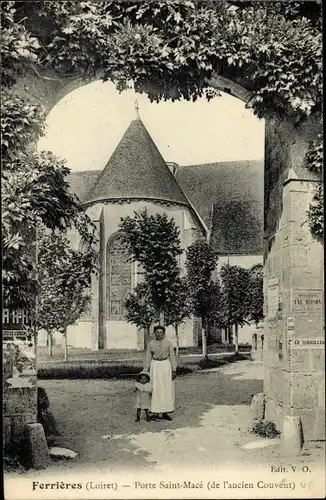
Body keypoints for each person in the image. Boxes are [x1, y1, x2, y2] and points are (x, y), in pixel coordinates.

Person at [143, 325, 177, 421]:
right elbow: (148, 358)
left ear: (164, 333)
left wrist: (174, 369)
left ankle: (165, 412)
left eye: (161, 332)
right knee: (156, 388)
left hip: (166, 366)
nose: (159, 334)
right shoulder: (151, 344)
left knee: (166, 388)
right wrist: (145, 370)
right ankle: (155, 411)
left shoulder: (169, 343)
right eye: (157, 332)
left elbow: (173, 357)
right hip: (155, 366)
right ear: (154, 333)